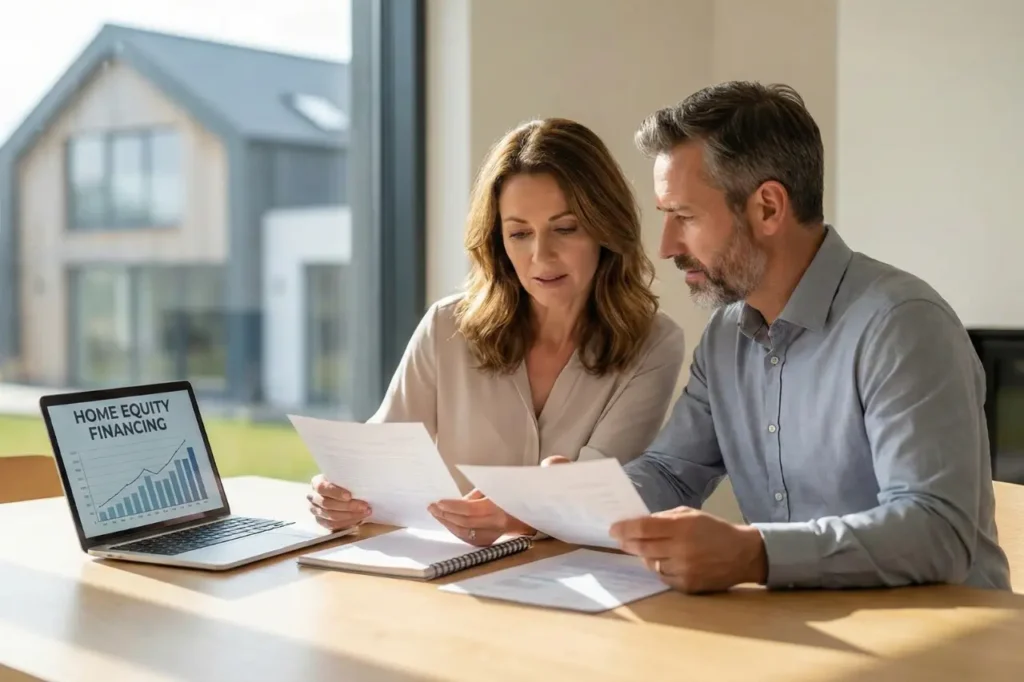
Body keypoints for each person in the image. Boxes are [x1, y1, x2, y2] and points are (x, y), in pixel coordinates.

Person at [599, 81, 1011, 593]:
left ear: (768, 207)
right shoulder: (726, 336)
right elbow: (672, 472)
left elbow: (936, 532)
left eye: (683, 217)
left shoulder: (903, 324)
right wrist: (565, 505)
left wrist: (755, 554)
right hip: (799, 636)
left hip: (945, 652)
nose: (665, 247)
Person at [307, 117, 685, 546]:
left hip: (586, 589)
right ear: (497, 240)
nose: (542, 256)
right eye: (520, 233)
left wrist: (518, 517)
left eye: (565, 228)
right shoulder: (446, 327)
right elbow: (378, 452)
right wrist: (337, 491)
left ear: (606, 227)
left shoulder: (654, 344)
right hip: (454, 585)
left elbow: (601, 493)